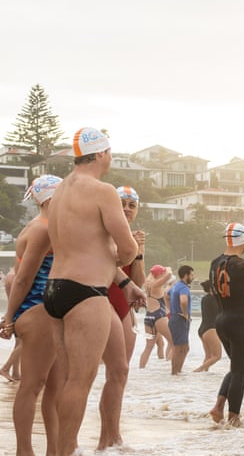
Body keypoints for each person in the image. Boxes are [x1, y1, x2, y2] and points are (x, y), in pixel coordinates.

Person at [44, 128, 141, 456]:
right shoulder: (102, 191)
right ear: (101, 154)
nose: (110, 158)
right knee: (79, 381)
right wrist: (120, 257)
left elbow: (78, 243)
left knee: (73, 378)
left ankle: (74, 447)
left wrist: (123, 282)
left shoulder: (60, 190)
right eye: (110, 152)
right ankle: (66, 451)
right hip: (86, 293)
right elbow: (127, 248)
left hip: (55, 290)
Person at [1, 175, 66, 456]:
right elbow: (23, 278)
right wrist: (9, 317)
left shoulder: (42, 227)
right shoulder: (43, 229)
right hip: (39, 311)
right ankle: (24, 451)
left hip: (45, 311)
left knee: (54, 388)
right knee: (32, 385)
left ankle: (54, 450)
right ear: (51, 198)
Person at [97, 184, 147, 451]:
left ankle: (112, 436)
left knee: (120, 373)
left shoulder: (132, 238)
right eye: (122, 203)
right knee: (90, 374)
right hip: (100, 300)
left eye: (132, 205)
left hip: (123, 306)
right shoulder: (102, 231)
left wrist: (138, 252)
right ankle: (104, 439)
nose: (127, 209)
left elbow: (138, 281)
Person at [209, 222, 244, 427]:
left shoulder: (214, 263)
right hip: (240, 319)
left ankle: (218, 406)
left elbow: (213, 289)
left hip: (221, 319)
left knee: (236, 367)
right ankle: (234, 418)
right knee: (240, 371)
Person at [139, 264, 174, 369]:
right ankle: (170, 369)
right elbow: (169, 274)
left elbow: (152, 273)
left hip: (148, 317)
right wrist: (167, 268)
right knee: (174, 343)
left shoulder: (147, 283)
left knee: (148, 347)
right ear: (159, 275)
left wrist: (157, 270)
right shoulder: (157, 284)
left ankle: (141, 370)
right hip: (159, 315)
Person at [167, 265, 195, 374]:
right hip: (180, 319)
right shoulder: (184, 288)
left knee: (185, 348)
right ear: (186, 275)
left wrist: (169, 310)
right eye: (191, 275)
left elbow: (166, 295)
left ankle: (178, 372)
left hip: (175, 317)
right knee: (179, 348)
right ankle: (175, 372)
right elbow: (183, 301)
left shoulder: (175, 285)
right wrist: (185, 313)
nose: (193, 277)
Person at [193, 279, 223, 372]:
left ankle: (203, 375)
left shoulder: (205, 298)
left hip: (203, 329)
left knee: (209, 356)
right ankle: (198, 371)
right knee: (217, 356)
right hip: (211, 329)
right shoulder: (215, 299)